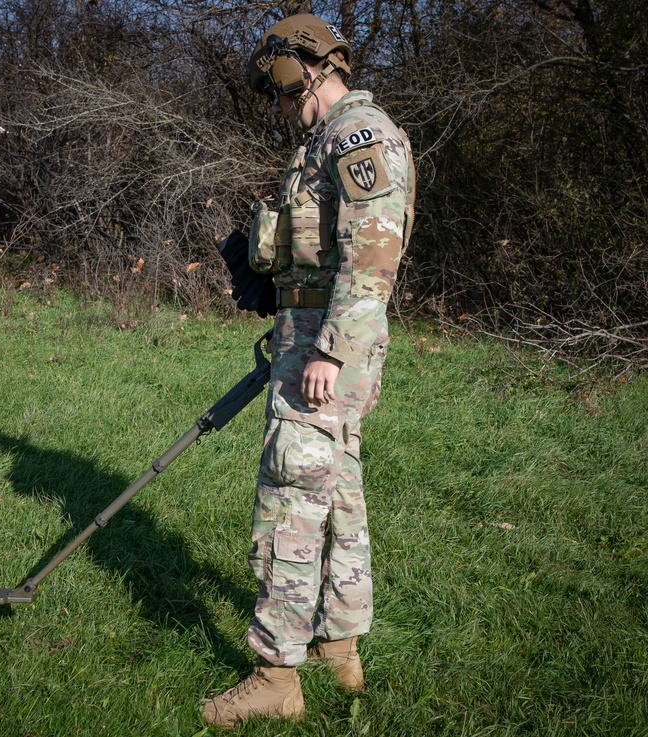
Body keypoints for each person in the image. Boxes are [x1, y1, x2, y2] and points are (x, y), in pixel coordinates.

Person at [203, 14, 415, 728]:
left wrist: (330, 349)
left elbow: (374, 251)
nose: (276, 100)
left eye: (278, 84)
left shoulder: (358, 134)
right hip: (311, 331)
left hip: (328, 345)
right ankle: (340, 643)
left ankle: (275, 673)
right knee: (337, 488)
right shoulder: (320, 142)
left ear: (303, 67)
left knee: (291, 496)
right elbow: (321, 246)